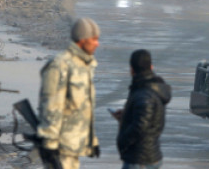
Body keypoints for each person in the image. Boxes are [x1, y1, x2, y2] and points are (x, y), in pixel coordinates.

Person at [37, 18, 101, 169]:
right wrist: (50, 144)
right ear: (82, 40)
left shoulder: (84, 65)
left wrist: (92, 141)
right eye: (94, 39)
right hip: (60, 148)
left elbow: (84, 108)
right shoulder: (60, 65)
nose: (97, 44)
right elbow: (51, 107)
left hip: (74, 146)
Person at [112, 50, 171, 169]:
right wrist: (126, 116)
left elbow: (140, 126)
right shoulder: (150, 89)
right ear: (151, 66)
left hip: (140, 159)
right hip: (149, 155)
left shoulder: (144, 94)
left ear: (132, 69)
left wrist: (123, 141)